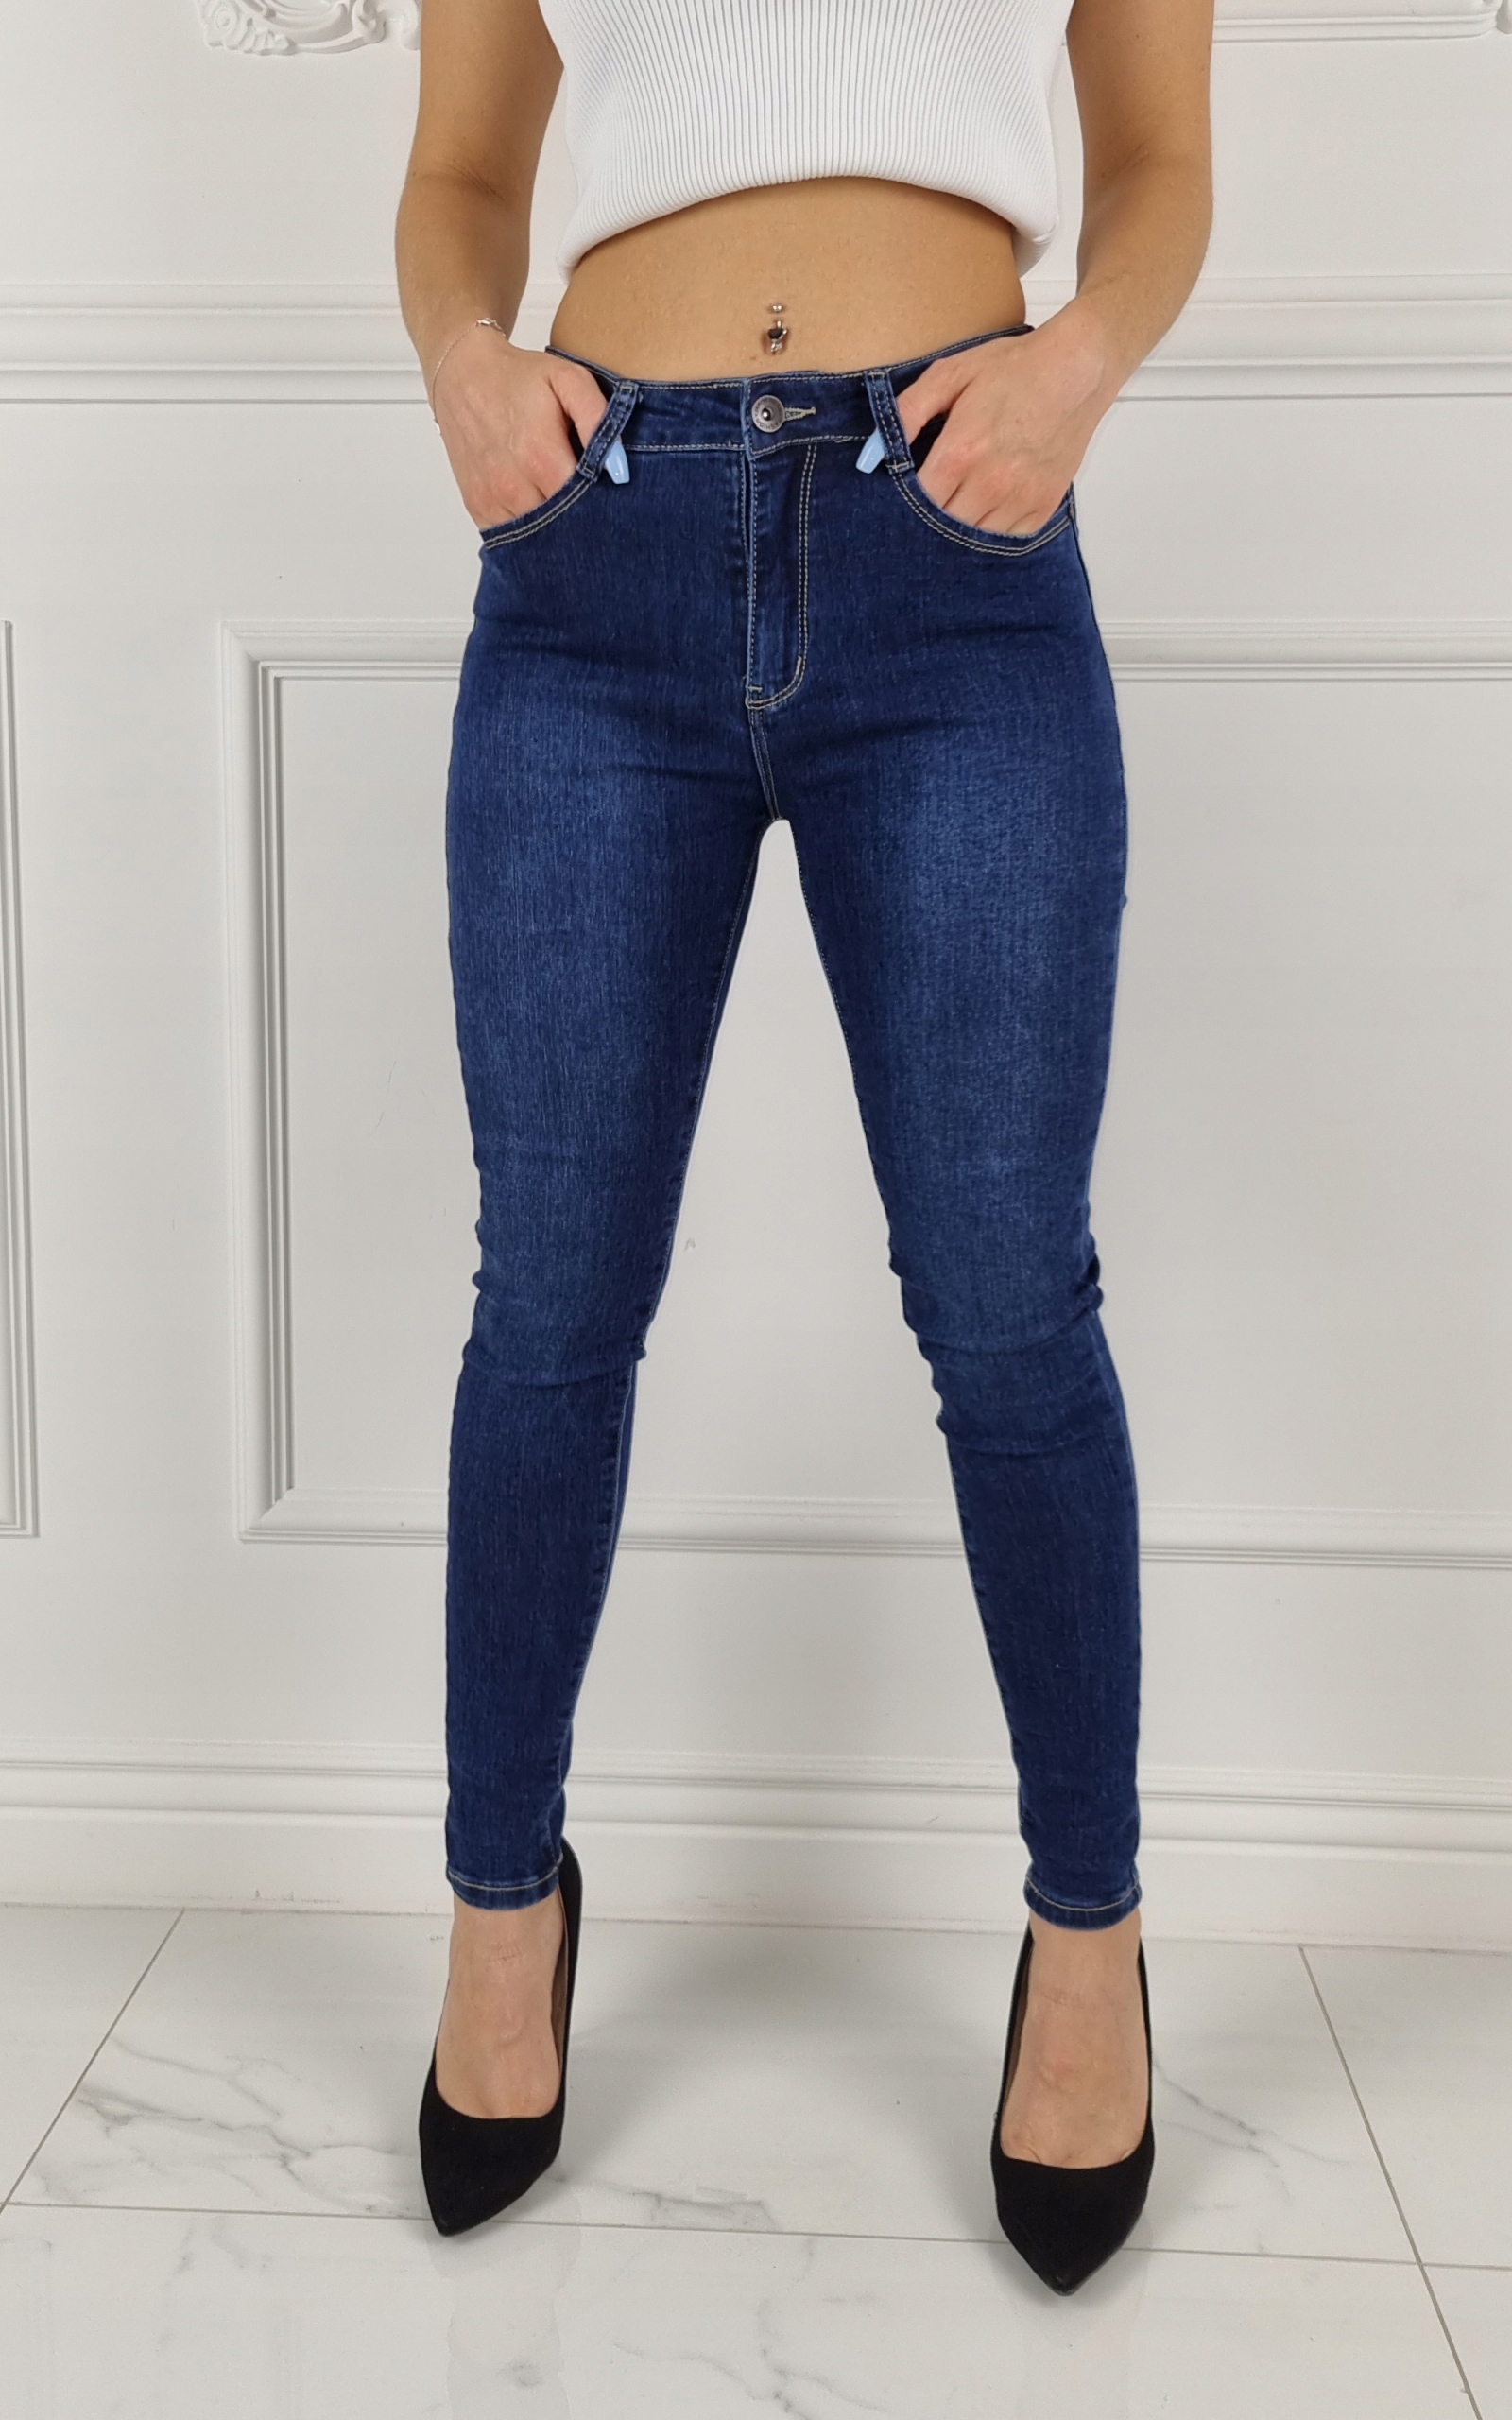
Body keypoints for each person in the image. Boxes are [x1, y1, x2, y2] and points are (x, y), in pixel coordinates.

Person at [396, 0, 1213, 2291]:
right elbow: (461, 166)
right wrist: (464, 362)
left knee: (1003, 1300)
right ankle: (498, 1899)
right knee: (549, 1299)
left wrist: (1072, 368)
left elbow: (1158, 158)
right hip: (593, 553)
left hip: (953, 541)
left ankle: (1087, 1929)